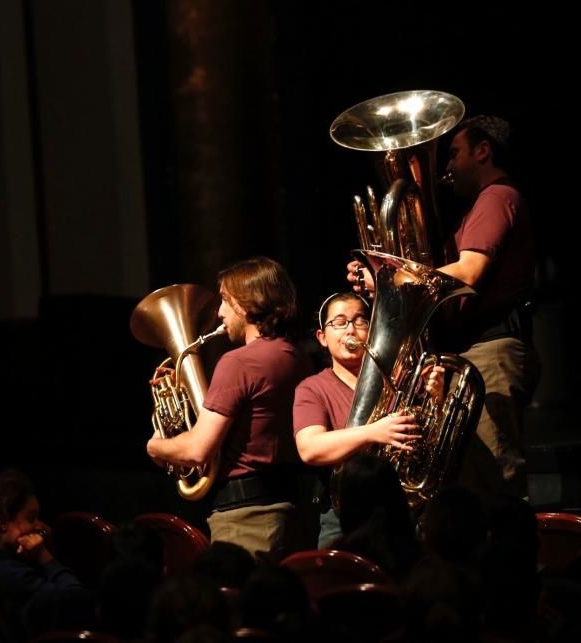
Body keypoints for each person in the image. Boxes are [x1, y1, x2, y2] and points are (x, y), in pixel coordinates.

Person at [347, 114, 540, 502]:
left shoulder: (496, 197)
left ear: (483, 151)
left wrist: (392, 280)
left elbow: (469, 271)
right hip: (472, 349)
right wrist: (383, 280)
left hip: (489, 346)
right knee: (470, 479)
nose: (446, 166)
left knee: (491, 481)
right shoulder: (477, 209)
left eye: (453, 154)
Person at [146, 256, 313, 562]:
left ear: (248, 302)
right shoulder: (296, 357)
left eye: (225, 299)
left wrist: (156, 447)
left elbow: (198, 450)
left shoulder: (238, 362)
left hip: (245, 521)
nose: (220, 312)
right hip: (293, 513)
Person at [292, 291, 417, 547]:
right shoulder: (312, 388)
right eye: (339, 322)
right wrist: (373, 432)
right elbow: (309, 448)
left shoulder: (397, 382)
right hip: (342, 515)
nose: (351, 330)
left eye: (360, 321)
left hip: (401, 509)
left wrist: (435, 398)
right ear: (322, 338)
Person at [0, 469, 92, 637]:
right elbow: (78, 599)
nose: (39, 526)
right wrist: (44, 556)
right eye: (31, 518)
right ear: (2, 522)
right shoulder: (12, 573)